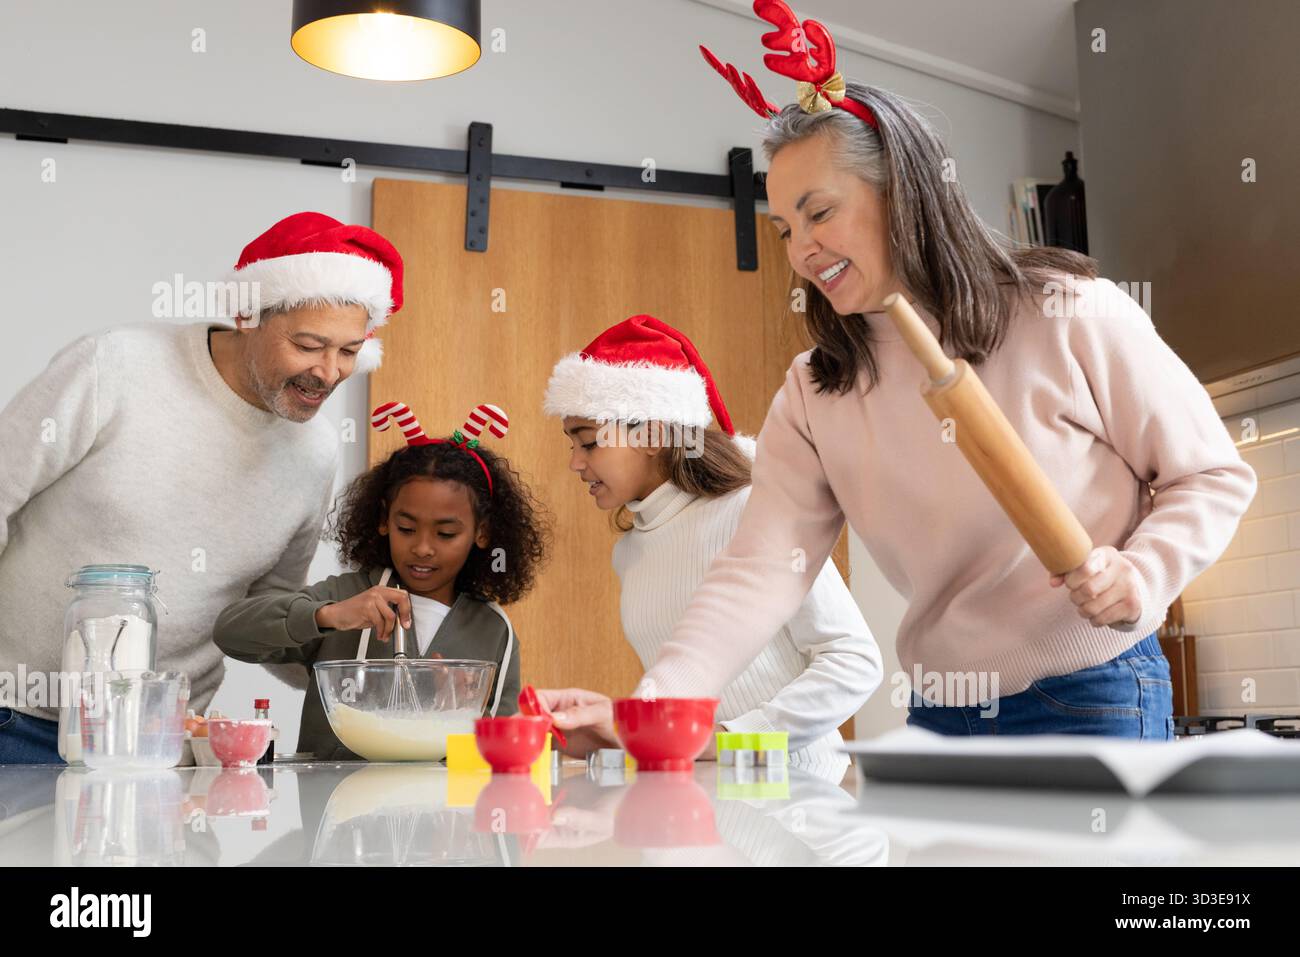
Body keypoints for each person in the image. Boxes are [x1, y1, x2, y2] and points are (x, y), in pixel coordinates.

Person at [537, 5, 1256, 743]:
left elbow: (1211, 475)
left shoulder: (1069, 313)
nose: (803, 250)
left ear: (904, 191)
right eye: (785, 228)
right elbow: (759, 570)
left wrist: (1142, 574)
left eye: (821, 212)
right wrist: (652, 709)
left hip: (1089, 692)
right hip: (938, 713)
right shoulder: (817, 392)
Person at [0, 210, 405, 764]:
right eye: (309, 345)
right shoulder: (114, 367)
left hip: (167, 741)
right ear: (246, 314)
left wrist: (351, 655)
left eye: (349, 351)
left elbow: (270, 604)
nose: (330, 372)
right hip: (17, 718)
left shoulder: (314, 451)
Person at [544, 315, 881, 772]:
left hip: (795, 803)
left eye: (587, 443)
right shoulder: (631, 550)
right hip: (705, 806)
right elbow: (689, 700)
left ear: (651, 435)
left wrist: (729, 741)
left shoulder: (751, 513)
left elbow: (852, 661)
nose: (575, 464)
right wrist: (617, 729)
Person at [214, 401, 550, 759]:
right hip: (331, 808)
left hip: (441, 811)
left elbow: (501, 758)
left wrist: (462, 714)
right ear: (382, 521)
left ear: (481, 533)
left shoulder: (493, 632)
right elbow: (231, 634)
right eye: (406, 528)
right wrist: (328, 615)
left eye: (446, 534)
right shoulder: (347, 596)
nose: (422, 548)